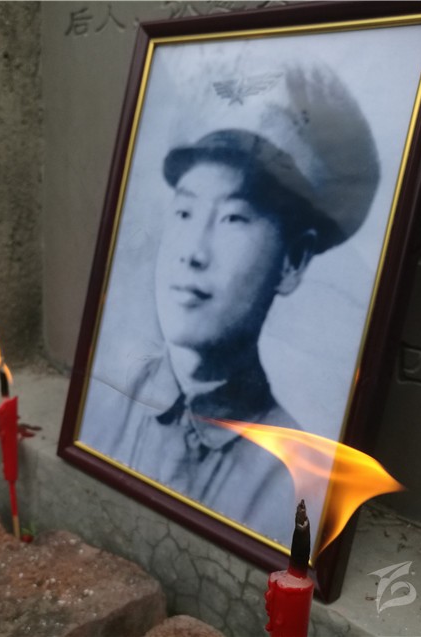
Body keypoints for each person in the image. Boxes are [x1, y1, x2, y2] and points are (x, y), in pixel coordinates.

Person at [81, 54, 380, 545]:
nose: (193, 253)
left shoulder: (297, 483)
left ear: (293, 261)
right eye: (184, 213)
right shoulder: (105, 402)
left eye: (233, 219)